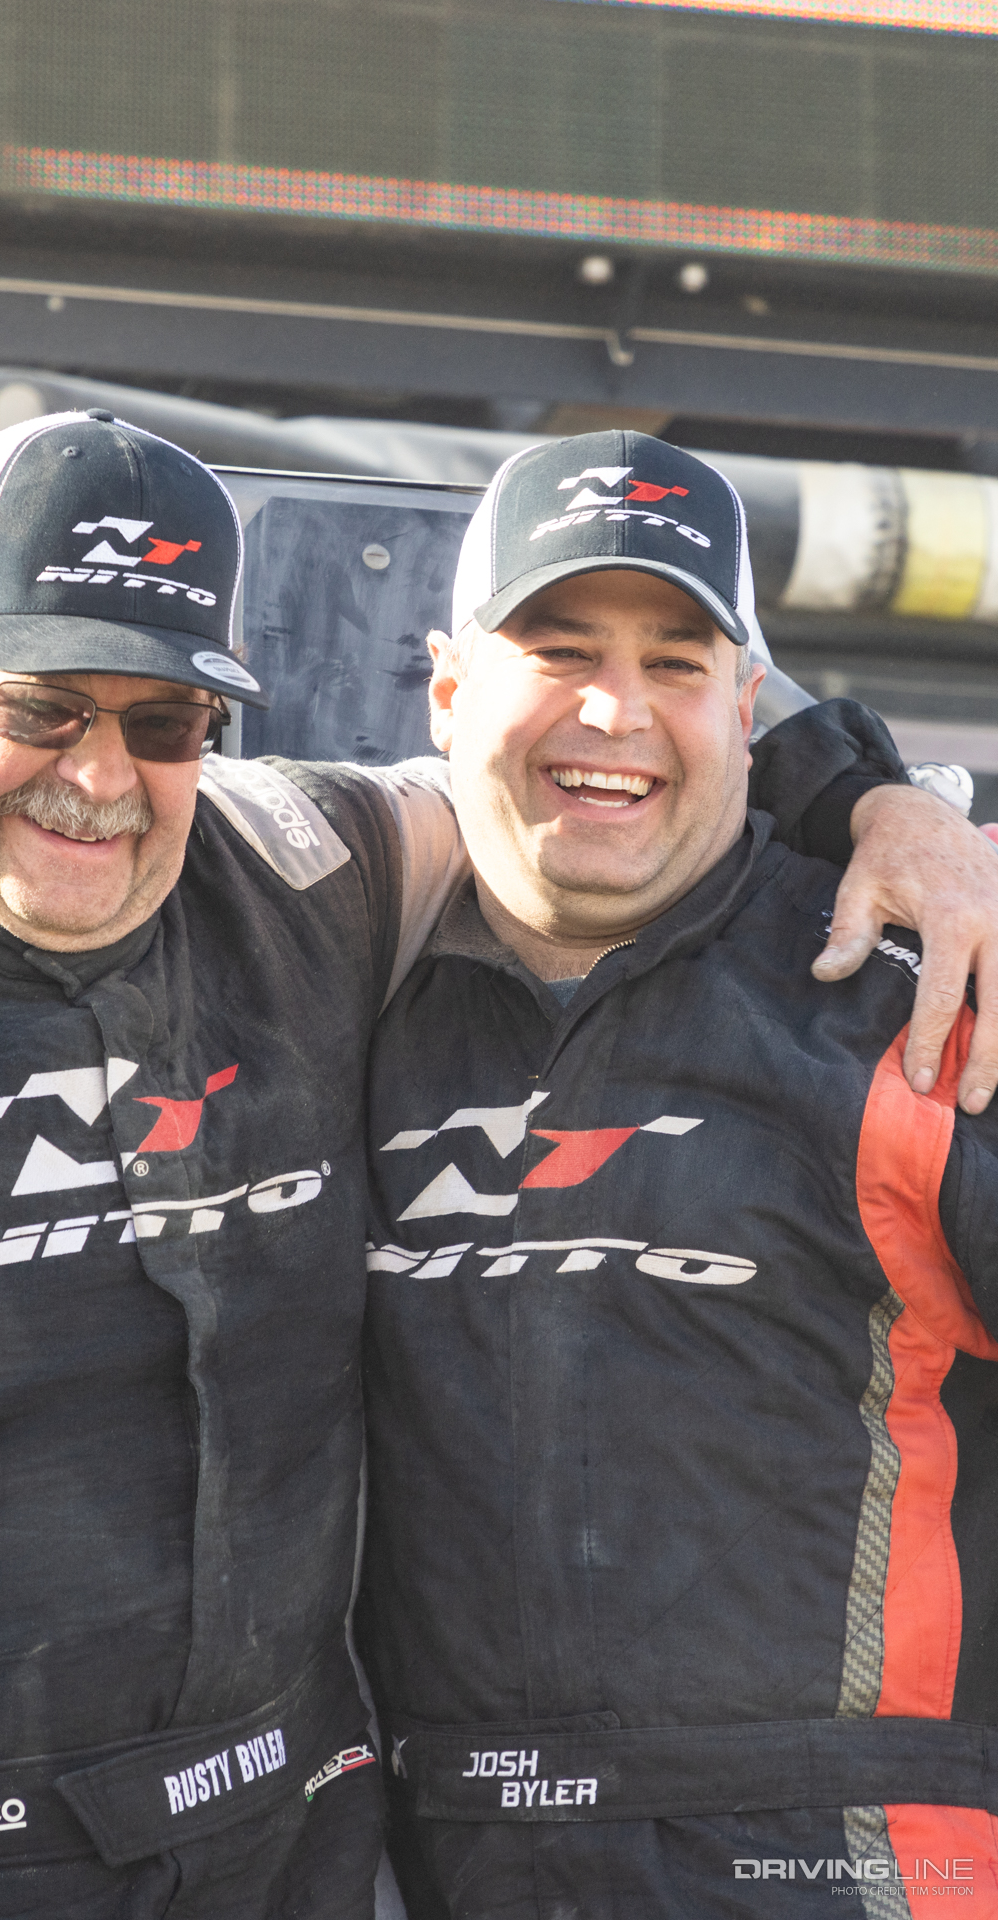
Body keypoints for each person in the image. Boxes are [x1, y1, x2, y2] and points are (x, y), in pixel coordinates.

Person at [0, 422, 991, 1919]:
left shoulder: (308, 873)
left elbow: (622, 757)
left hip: (317, 1860)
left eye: (170, 720)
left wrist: (890, 803)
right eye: (43, 707)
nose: (102, 775)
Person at [355, 436, 998, 1916]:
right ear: (448, 690)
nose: (615, 711)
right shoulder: (332, 995)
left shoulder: (922, 995)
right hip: (428, 1861)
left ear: (747, 707)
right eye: (560, 648)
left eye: (677, 661)